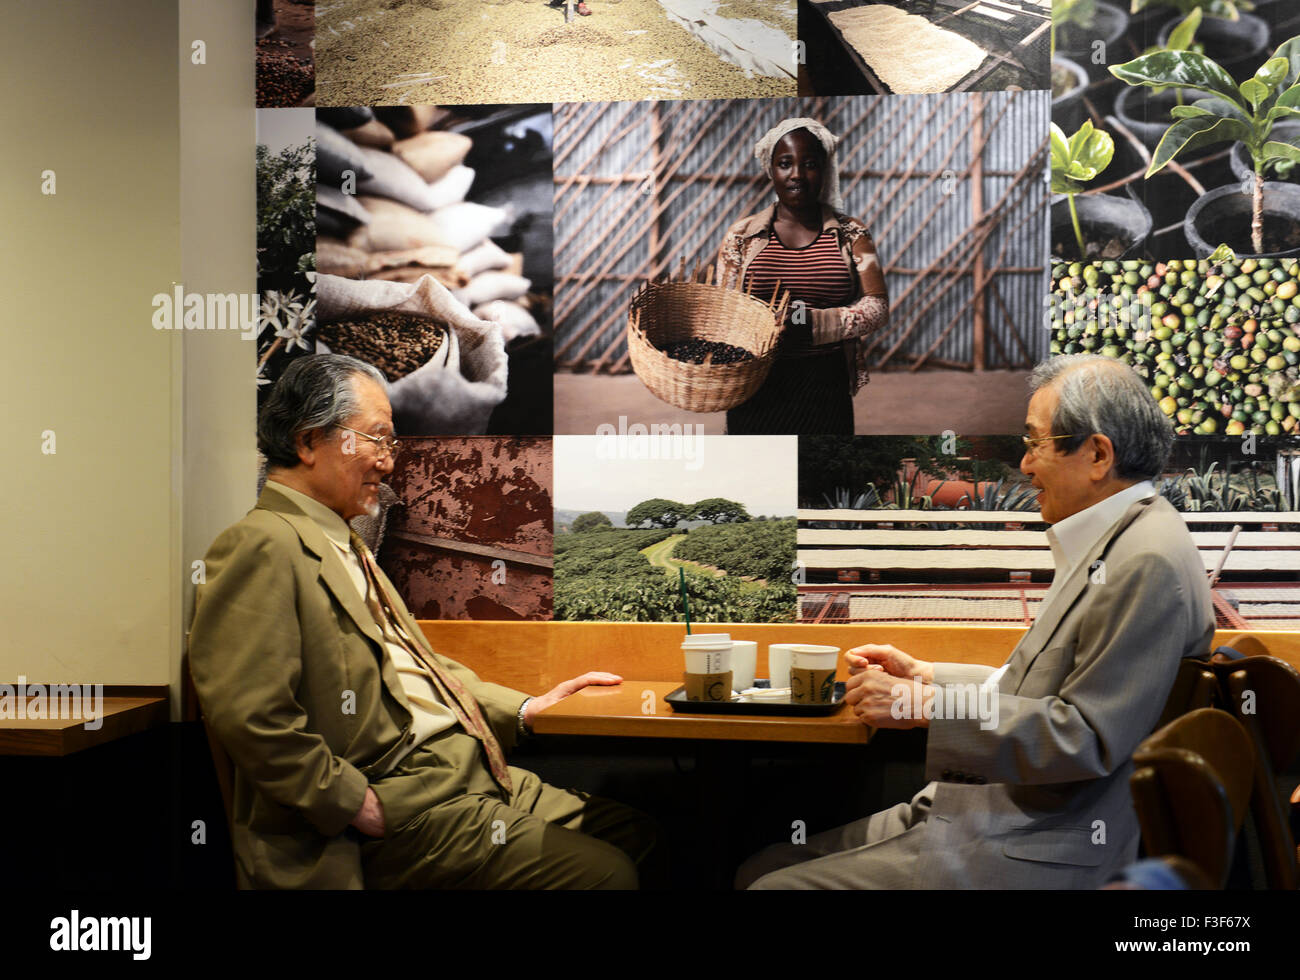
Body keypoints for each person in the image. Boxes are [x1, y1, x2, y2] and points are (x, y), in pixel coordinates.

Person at [736, 354, 1216, 888]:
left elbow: (1085, 737)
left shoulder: (1142, 560)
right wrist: (928, 676)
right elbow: (1043, 690)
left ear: (1097, 453)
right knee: (765, 866)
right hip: (991, 812)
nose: (1025, 464)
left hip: (1029, 844)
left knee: (767, 885)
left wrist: (923, 706)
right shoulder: (1124, 537)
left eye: (1034, 442)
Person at [189, 354, 656, 889]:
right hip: (403, 800)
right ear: (308, 440)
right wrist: (354, 803)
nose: (390, 462)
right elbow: (250, 715)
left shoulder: (343, 541)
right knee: (608, 875)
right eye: (378, 439)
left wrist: (527, 709)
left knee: (636, 834)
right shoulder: (260, 543)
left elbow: (422, 667)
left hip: (469, 769)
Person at [715, 118, 889, 435]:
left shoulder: (851, 233)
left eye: (809, 164)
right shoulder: (741, 236)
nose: (796, 174)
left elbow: (877, 308)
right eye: (785, 163)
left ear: (824, 170)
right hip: (756, 380)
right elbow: (725, 313)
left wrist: (812, 323)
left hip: (825, 381)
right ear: (771, 170)